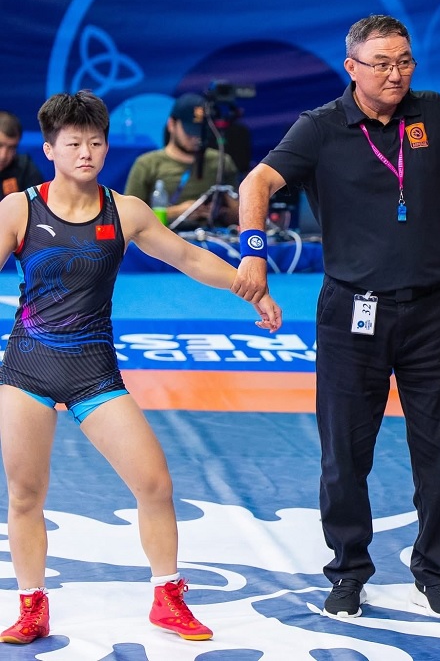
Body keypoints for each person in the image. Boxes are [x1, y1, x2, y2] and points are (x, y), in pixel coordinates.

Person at [231, 14, 440, 620]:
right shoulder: (321, 127)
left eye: (404, 61)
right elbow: (257, 182)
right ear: (351, 67)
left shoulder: (432, 112)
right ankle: (348, 570)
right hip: (352, 313)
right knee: (344, 453)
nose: (395, 73)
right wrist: (254, 254)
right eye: (382, 63)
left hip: (433, 311)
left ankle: (433, 570)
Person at [0, 90, 282, 645]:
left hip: (93, 371)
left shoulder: (124, 211)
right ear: (50, 149)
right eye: (73, 144)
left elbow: (189, 257)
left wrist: (251, 289)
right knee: (25, 494)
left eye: (95, 142)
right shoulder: (18, 210)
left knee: (154, 483)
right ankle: (32, 607)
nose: (86, 153)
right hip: (28, 368)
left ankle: (167, 599)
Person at [124, 93, 240, 230]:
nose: (196, 137)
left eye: (200, 131)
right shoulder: (147, 164)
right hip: (164, 236)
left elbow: (239, 215)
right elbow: (128, 216)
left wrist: (219, 212)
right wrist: (177, 212)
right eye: (190, 132)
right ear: (171, 124)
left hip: (213, 235)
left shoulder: (221, 162)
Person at [0, 111, 44, 198]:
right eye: (0, 145)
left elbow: (38, 203)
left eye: (12, 148)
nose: (3, 156)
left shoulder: (25, 168)